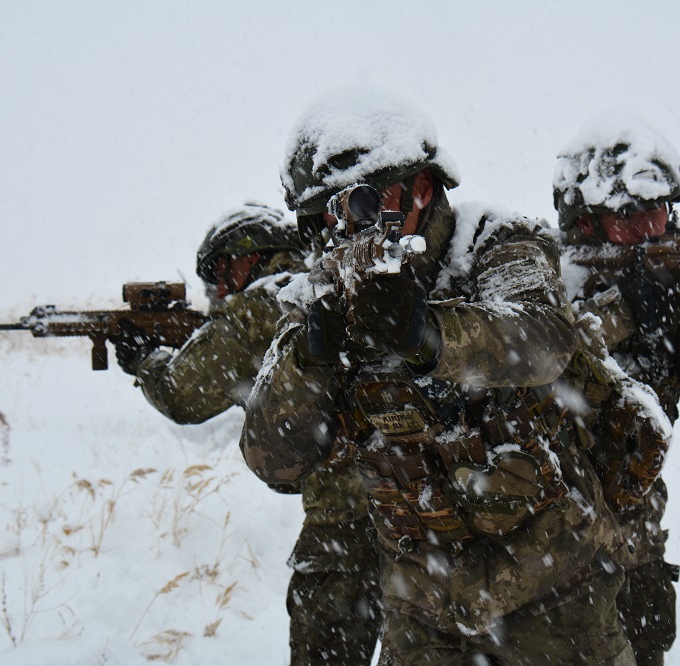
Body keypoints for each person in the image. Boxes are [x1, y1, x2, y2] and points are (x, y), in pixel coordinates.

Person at [241, 88, 638, 665]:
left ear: (422, 188)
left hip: (553, 585)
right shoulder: (322, 294)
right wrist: (309, 362)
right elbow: (272, 460)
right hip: (421, 601)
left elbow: (543, 340)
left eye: (359, 203)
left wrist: (431, 337)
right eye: (322, 216)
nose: (344, 230)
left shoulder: (493, 243)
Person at [112, 202, 382, 666]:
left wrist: (145, 359)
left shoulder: (263, 305)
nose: (218, 289)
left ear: (249, 257)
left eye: (220, 272)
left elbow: (183, 395)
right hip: (415, 503)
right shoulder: (327, 283)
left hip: (349, 517)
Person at [552, 121, 680, 666]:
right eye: (627, 216)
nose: (651, 228)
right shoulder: (546, 278)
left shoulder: (675, 277)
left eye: (660, 210)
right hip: (548, 558)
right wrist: (626, 309)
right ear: (586, 220)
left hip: (635, 548)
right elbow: (541, 373)